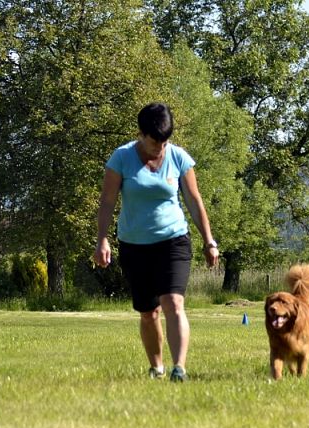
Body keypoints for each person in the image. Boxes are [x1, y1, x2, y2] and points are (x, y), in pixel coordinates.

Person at [93, 102, 219, 382]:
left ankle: (179, 368)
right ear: (141, 134)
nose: (159, 148)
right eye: (154, 142)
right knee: (149, 312)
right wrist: (102, 240)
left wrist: (209, 240)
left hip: (173, 240)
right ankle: (157, 367)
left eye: (164, 142)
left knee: (173, 302)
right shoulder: (121, 158)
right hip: (134, 245)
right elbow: (107, 202)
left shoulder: (179, 158)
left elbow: (194, 201)